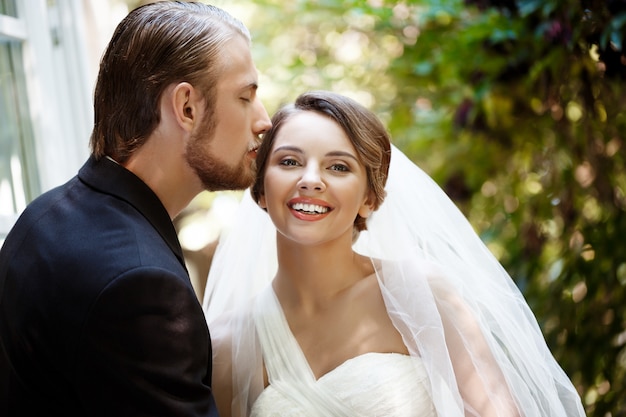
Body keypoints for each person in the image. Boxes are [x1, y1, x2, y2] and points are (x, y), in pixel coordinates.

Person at [202, 91, 586, 416]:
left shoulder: (417, 293)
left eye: (338, 166)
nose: (311, 180)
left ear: (369, 198)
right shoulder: (227, 345)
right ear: (260, 189)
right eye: (289, 162)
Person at [0, 2, 271, 416]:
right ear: (186, 108)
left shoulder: (46, 212)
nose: (263, 121)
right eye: (246, 96)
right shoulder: (141, 287)